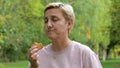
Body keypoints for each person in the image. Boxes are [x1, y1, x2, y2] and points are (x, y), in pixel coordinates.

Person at [28, 2, 102, 68]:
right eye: (46, 21)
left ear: (69, 23)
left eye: (54, 19)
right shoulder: (38, 56)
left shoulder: (84, 54)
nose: (48, 24)